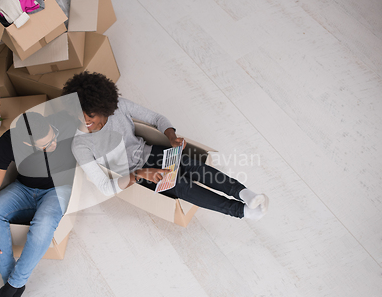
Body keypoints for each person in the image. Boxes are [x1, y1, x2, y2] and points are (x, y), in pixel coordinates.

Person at [63, 71, 269, 221]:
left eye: (91, 114)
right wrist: (141, 174)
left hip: (152, 153)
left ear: (104, 107)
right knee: (183, 187)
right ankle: (242, 212)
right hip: (137, 176)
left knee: (191, 165)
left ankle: (244, 194)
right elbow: (106, 188)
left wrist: (171, 136)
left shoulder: (119, 107)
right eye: (79, 113)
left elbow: (156, 118)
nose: (85, 120)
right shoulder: (80, 146)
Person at [0, 107, 79, 297]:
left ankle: (12, 286)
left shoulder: (64, 122)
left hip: (58, 188)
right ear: (26, 144)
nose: (53, 145)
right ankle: (13, 286)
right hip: (23, 188)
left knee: (42, 226)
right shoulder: (8, 142)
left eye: (53, 138)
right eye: (46, 145)